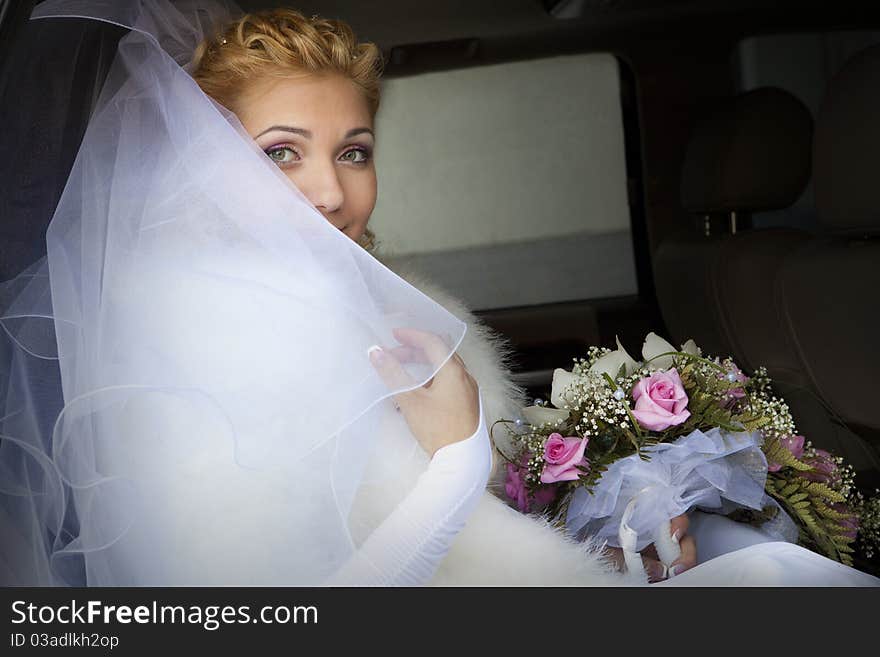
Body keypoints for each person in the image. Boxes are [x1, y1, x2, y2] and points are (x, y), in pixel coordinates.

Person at [0, 0, 876, 587]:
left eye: (352, 150)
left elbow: (478, 532)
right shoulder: (185, 348)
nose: (331, 192)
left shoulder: (371, 297)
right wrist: (457, 461)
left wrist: (605, 533)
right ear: (201, 164)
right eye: (279, 152)